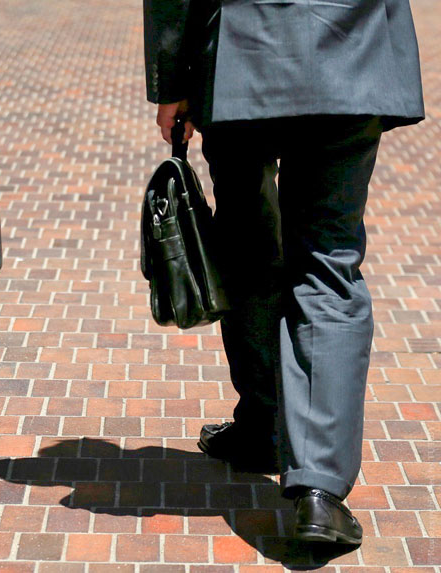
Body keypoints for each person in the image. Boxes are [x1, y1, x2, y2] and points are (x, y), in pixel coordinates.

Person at [144, 0, 423, 544]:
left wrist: (172, 80)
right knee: (327, 262)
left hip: (240, 53)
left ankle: (265, 428)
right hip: (352, 46)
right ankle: (319, 488)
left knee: (248, 248)